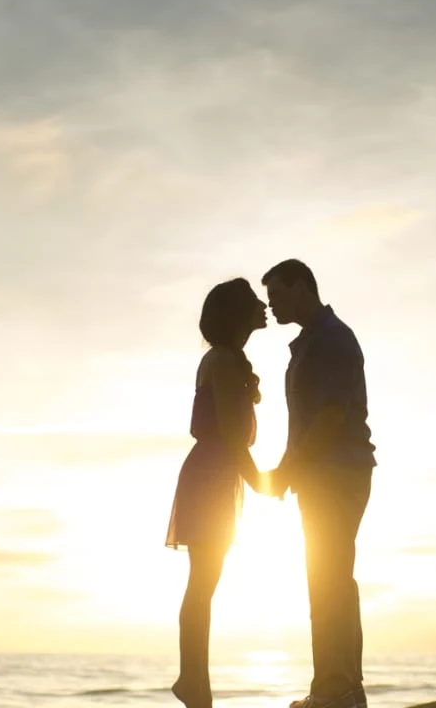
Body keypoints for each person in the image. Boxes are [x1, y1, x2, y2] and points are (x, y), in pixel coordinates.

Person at [261, 259, 376, 708]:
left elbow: (329, 417)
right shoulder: (312, 341)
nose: (272, 306)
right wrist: (288, 468)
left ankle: (334, 692)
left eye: (277, 295)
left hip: (337, 473)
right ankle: (342, 689)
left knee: (329, 580)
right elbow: (306, 423)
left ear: (302, 287)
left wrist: (288, 469)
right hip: (322, 474)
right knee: (331, 579)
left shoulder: (331, 337)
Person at [166, 278, 269, 708]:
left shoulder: (229, 360)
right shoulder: (223, 361)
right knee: (203, 582)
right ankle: (193, 683)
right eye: (255, 301)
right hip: (211, 474)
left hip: (219, 474)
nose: (264, 306)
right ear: (237, 314)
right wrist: (263, 482)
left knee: (205, 582)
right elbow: (229, 432)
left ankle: (195, 683)